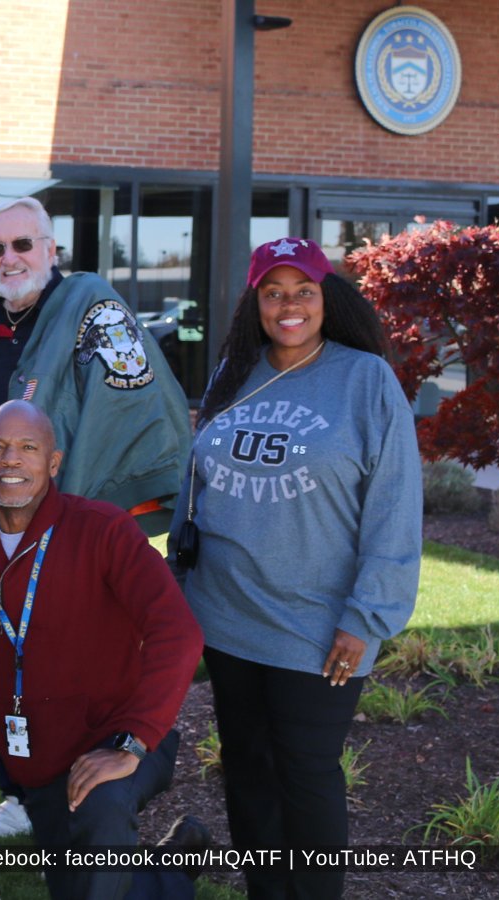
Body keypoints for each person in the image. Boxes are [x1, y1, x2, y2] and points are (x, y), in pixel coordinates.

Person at [0, 400, 205, 900]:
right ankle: (177, 862)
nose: (12, 460)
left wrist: (133, 742)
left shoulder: (104, 530)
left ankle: (161, 852)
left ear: (54, 462)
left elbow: (177, 632)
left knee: (102, 813)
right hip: (38, 761)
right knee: (97, 884)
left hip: (114, 740)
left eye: (28, 448)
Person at [174, 237, 422, 899]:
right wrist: (180, 581)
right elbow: (197, 477)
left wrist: (367, 618)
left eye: (302, 290)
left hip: (318, 625)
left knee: (307, 774)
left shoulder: (364, 381)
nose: (288, 305)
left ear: (325, 297)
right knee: (248, 770)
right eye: (273, 292)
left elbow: (395, 505)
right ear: (255, 301)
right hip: (226, 615)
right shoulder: (236, 368)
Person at [0, 197, 190, 537]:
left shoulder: (89, 307)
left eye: (22, 244)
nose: (9, 258)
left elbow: (126, 405)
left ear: (51, 250)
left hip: (69, 509)